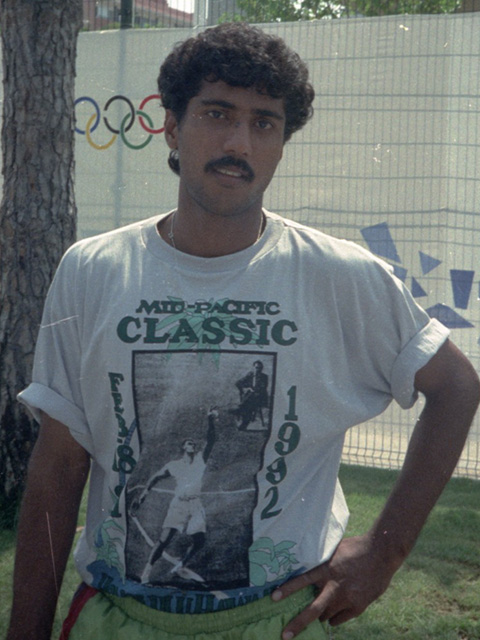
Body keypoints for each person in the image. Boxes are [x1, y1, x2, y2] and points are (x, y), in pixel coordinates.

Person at [7, 21, 479, 640]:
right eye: (217, 114)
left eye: (264, 123)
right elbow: (60, 462)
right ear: (171, 127)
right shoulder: (93, 269)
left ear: (282, 143)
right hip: (118, 614)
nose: (239, 142)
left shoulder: (338, 274)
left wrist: (385, 552)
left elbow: (455, 385)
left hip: (275, 617)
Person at [132, 407, 218, 585]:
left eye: (193, 443)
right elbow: (155, 477)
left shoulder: (200, 460)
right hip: (179, 505)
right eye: (189, 443)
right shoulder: (174, 465)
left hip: (195, 505)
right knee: (164, 540)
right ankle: (146, 572)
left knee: (199, 541)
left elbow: (211, 440)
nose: (193, 445)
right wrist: (144, 494)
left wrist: (210, 420)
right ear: (183, 447)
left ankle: (180, 566)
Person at [231, 360, 269, 429]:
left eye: (260, 368)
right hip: (250, 399)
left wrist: (253, 390)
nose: (258, 370)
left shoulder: (264, 377)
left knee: (248, 401)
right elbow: (238, 383)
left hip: (259, 398)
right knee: (248, 405)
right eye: (256, 367)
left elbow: (262, 388)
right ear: (253, 367)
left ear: (262, 369)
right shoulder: (250, 375)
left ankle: (239, 410)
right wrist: (247, 388)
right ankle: (244, 423)